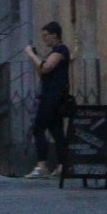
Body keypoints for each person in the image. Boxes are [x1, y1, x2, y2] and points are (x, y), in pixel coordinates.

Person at [24, 20, 72, 179]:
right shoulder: (53, 52)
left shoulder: (60, 49)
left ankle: (42, 165)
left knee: (39, 128)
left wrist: (31, 54)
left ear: (55, 35)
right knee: (57, 131)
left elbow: (46, 67)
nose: (44, 39)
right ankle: (62, 165)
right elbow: (42, 73)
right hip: (51, 95)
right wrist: (36, 57)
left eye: (46, 36)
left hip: (53, 97)